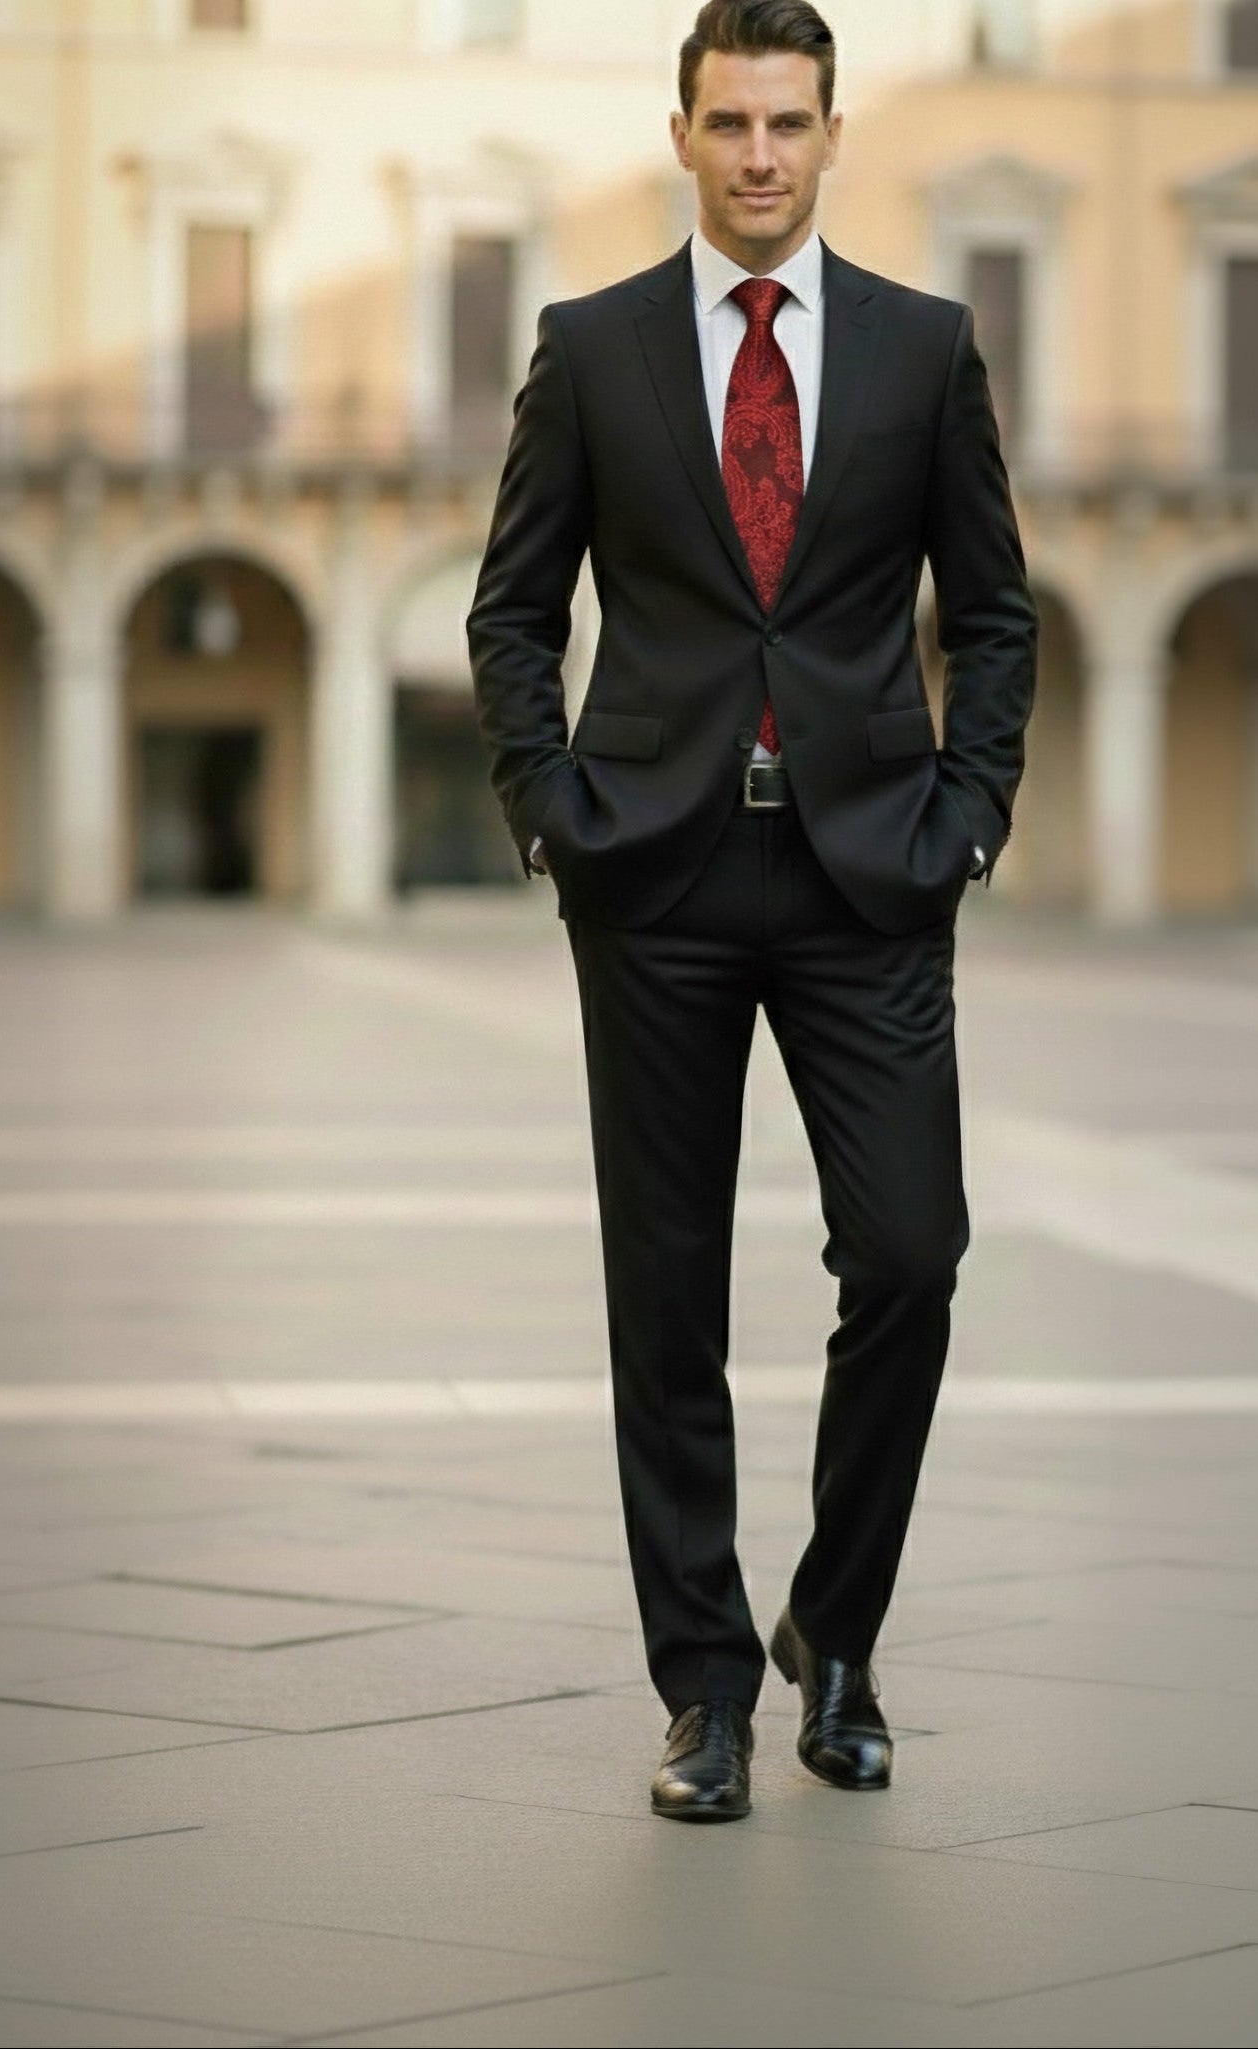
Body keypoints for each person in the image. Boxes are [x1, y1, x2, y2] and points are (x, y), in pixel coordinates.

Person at [467, 0, 1036, 1821]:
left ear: (833, 133)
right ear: (684, 135)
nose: (762, 155)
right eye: (731, 123)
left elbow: (996, 613)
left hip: (874, 871)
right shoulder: (594, 346)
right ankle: (705, 1686)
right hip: (659, 874)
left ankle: (837, 1631)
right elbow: (510, 608)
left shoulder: (928, 350)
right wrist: (551, 809)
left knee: (913, 1252)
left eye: (791, 122)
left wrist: (969, 816)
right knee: (666, 1290)